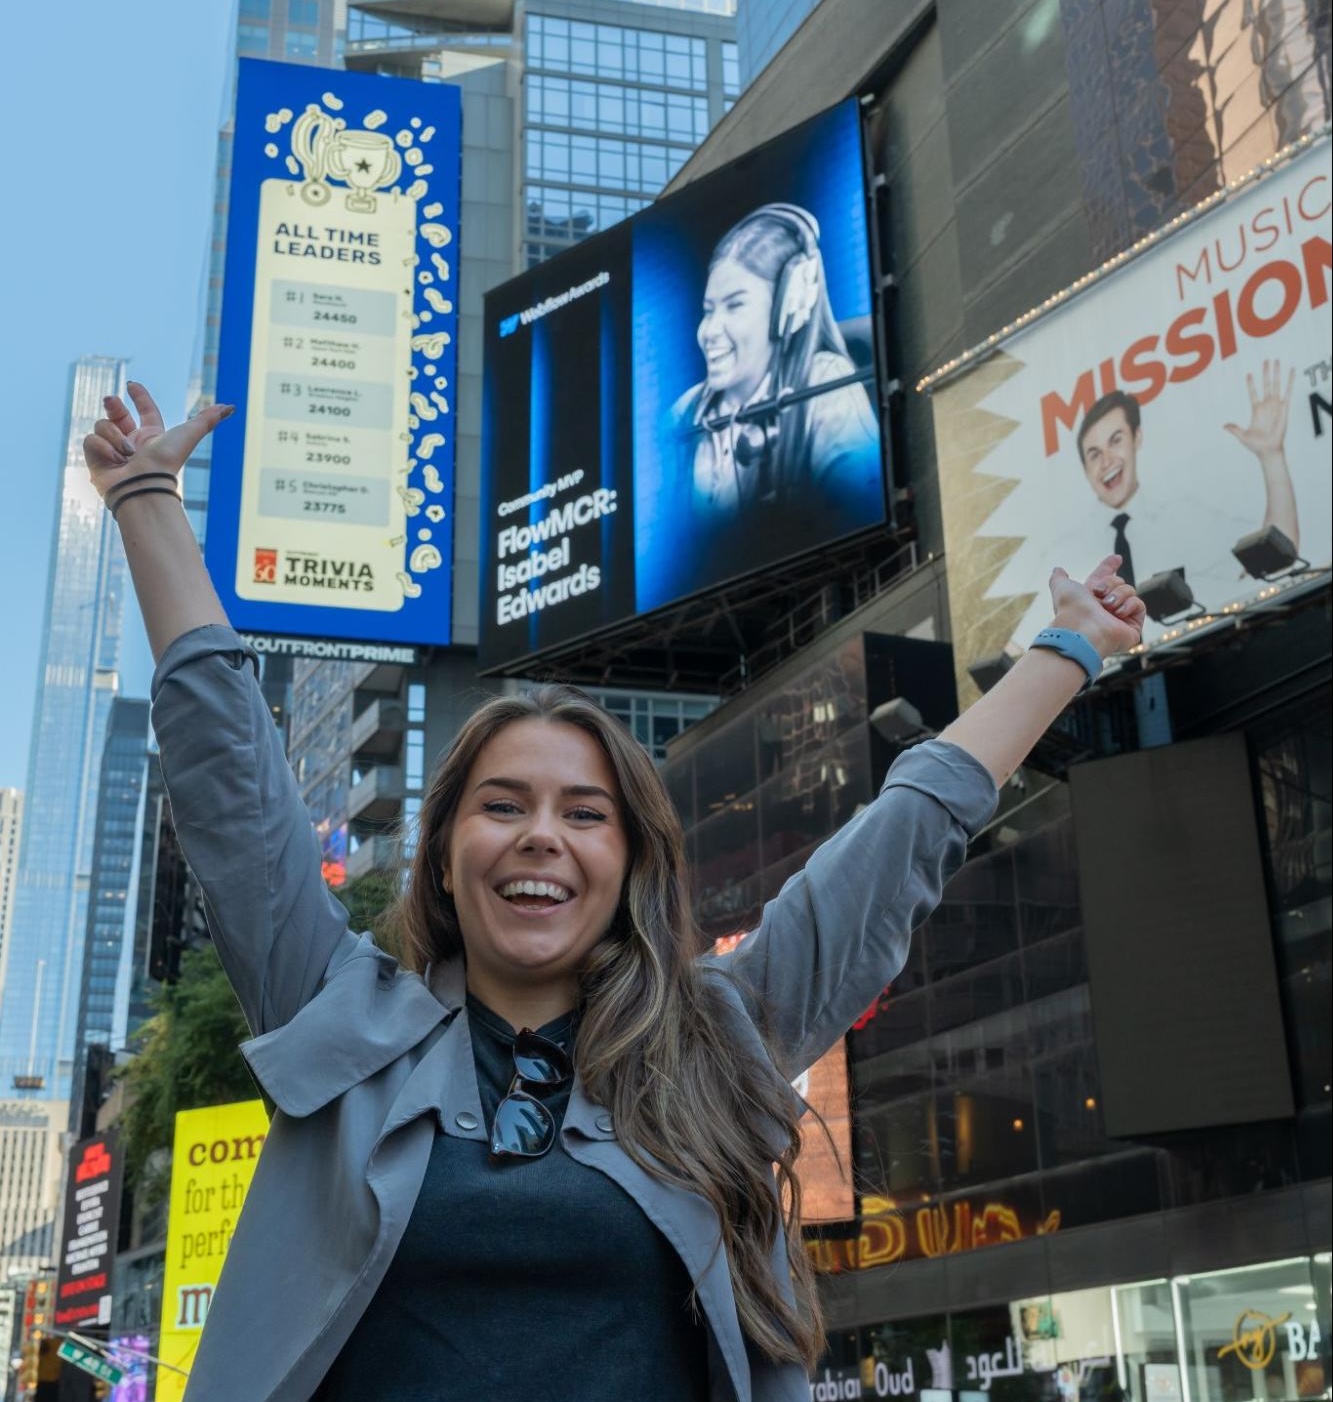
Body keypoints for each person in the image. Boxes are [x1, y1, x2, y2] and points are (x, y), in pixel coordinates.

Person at [84, 383, 1144, 1402]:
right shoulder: (336, 1011)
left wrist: (1068, 649)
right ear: (446, 851)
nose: (542, 834)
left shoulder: (716, 1036)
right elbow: (233, 786)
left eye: (585, 814)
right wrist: (145, 500)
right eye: (502, 805)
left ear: (631, 860)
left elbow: (900, 839)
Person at [669, 204, 881, 569]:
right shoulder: (682, 415)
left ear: (790, 305)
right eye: (708, 310)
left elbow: (857, 507)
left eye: (734, 306)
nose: (710, 332)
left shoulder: (823, 382)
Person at [1074, 363, 1300, 600]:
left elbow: (1277, 556)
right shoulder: (1063, 556)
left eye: (1115, 441)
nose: (1107, 461)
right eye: (1094, 454)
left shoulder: (1185, 516)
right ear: (1085, 468)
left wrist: (1272, 457)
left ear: (1136, 438)